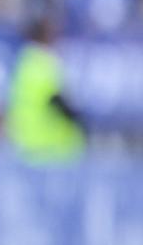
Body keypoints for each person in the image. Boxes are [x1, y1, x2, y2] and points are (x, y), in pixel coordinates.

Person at [5, 15, 84, 167]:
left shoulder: (24, 61)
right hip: (53, 148)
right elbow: (56, 101)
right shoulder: (44, 63)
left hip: (28, 145)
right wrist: (79, 121)